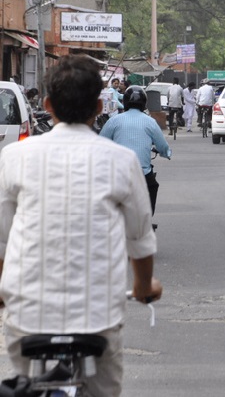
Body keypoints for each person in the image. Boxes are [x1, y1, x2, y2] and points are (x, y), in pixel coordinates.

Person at [0, 54, 162, 396]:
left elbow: (1, 239)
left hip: (27, 314)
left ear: (47, 105)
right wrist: (145, 287)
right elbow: (140, 239)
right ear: (99, 106)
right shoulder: (121, 159)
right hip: (98, 318)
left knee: (25, 385)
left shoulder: (14, 156)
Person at [100, 85, 172, 217]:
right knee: (152, 186)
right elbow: (162, 146)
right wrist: (166, 153)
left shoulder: (114, 120)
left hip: (118, 173)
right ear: (144, 103)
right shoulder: (150, 122)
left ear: (125, 102)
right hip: (142, 173)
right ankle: (147, 219)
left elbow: (100, 143)